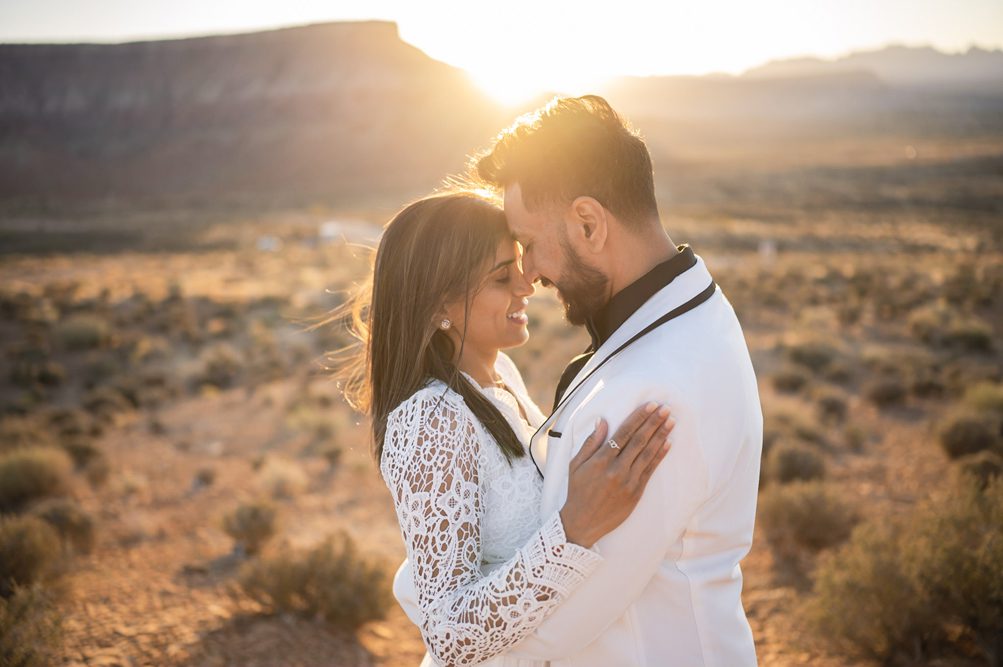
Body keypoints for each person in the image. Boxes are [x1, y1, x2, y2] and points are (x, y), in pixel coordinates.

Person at [397, 95, 764, 665]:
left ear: (589, 224)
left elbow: (550, 631)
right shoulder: (698, 310)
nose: (530, 274)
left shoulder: (646, 401)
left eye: (530, 244)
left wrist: (418, 597)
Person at [335, 190, 677, 667]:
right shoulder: (432, 420)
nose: (526, 285)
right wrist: (574, 528)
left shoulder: (500, 378)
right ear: (440, 306)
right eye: (501, 277)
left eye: (518, 263)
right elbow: (450, 634)